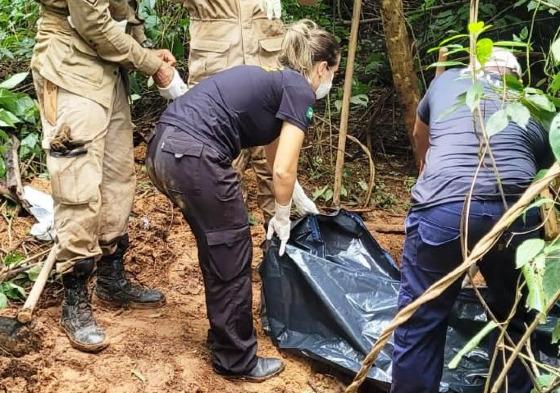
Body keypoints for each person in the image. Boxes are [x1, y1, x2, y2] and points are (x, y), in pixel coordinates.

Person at [146, 20, 340, 381]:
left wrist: (298, 199)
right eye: (333, 72)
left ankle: (223, 336)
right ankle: (236, 359)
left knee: (217, 245)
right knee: (233, 248)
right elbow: (282, 170)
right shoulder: (300, 90)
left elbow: (274, 153)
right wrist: (282, 216)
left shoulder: (276, 83)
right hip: (195, 157)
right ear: (321, 67)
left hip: (164, 151)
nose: (330, 81)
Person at [390, 49, 554, 393]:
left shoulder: (448, 80)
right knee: (516, 314)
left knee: (420, 320)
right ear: (516, 80)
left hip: (444, 208)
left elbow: (423, 135)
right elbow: (544, 173)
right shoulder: (530, 106)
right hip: (516, 215)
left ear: (473, 70)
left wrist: (427, 168)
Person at [31, 0, 176, 352]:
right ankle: (74, 298)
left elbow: (125, 9)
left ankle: (111, 277)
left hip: (107, 70)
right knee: (77, 185)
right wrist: (150, 64)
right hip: (70, 68)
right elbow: (92, 22)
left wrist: (144, 49)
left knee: (117, 177)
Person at [176, 0, 320, 224]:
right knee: (217, 177)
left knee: (275, 168)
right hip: (216, 81)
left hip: (268, 75)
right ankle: (226, 248)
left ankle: (279, 250)